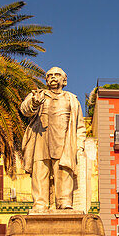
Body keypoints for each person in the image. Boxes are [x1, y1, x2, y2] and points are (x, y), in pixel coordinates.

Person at [20, 67, 86, 212]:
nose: (53, 77)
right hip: (41, 140)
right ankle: (40, 204)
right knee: (39, 171)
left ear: (64, 80)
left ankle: (64, 202)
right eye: (49, 75)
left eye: (57, 75)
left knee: (63, 171)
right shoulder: (37, 95)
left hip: (64, 142)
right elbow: (24, 109)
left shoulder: (72, 99)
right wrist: (34, 103)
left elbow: (80, 126)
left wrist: (79, 146)